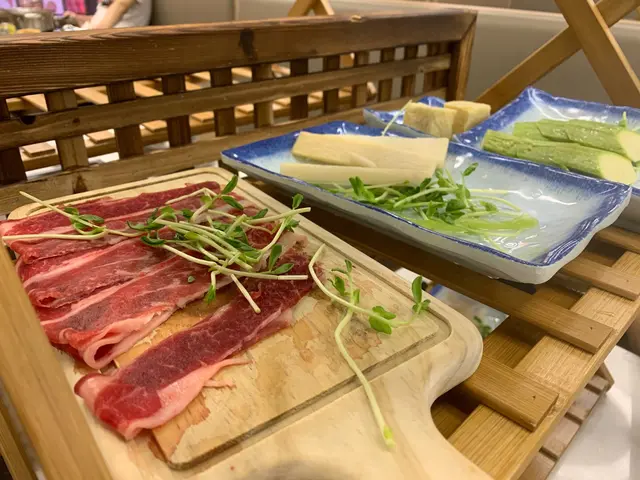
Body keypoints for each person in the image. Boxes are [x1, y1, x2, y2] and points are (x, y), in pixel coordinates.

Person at [66, 0, 151, 29]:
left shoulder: (120, 4)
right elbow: (99, 19)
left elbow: (121, 5)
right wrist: (76, 17)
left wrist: (88, 33)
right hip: (100, 37)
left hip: (113, 43)